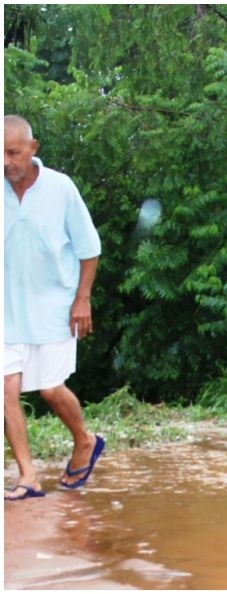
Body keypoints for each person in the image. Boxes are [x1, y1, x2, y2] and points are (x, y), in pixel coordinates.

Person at [4, 115, 105, 501]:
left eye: (13, 152)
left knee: (49, 389)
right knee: (6, 389)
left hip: (54, 307)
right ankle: (28, 476)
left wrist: (82, 299)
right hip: (6, 311)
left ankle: (85, 440)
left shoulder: (61, 189)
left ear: (33, 148)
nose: (6, 162)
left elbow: (89, 249)